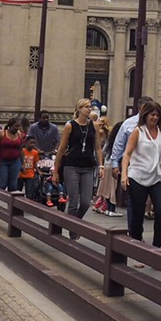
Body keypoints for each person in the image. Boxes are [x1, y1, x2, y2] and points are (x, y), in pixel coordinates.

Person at [121, 99, 161, 249]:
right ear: (145, 115)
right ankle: (137, 243)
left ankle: (156, 247)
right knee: (138, 214)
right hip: (138, 176)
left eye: (157, 115)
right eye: (152, 115)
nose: (155, 118)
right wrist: (124, 175)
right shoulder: (138, 131)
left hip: (157, 177)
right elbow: (127, 154)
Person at [53, 99, 103, 235]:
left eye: (90, 107)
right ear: (79, 109)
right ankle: (73, 230)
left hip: (88, 166)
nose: (89, 109)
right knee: (73, 201)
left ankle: (75, 222)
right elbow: (61, 149)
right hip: (71, 166)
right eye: (86, 107)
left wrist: (101, 165)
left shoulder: (94, 126)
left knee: (86, 202)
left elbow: (98, 148)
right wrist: (55, 171)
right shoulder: (70, 126)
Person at [108, 97, 155, 222]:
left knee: (152, 199)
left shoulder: (158, 124)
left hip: (153, 166)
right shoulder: (128, 124)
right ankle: (133, 229)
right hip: (132, 166)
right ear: (139, 109)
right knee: (134, 198)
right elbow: (119, 144)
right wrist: (115, 164)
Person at [0, 118, 25, 191]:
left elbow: (20, 150)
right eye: (16, 126)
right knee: (2, 183)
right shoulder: (1, 133)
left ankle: (11, 198)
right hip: (3, 161)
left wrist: (23, 163)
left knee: (13, 185)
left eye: (19, 126)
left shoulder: (19, 135)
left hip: (15, 161)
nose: (18, 128)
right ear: (10, 126)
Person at [19, 136, 40, 201]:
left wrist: (38, 171)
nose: (32, 145)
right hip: (20, 174)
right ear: (26, 143)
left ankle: (28, 203)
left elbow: (34, 163)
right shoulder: (22, 151)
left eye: (34, 143)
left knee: (29, 192)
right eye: (31, 143)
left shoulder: (35, 152)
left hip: (30, 174)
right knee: (18, 191)